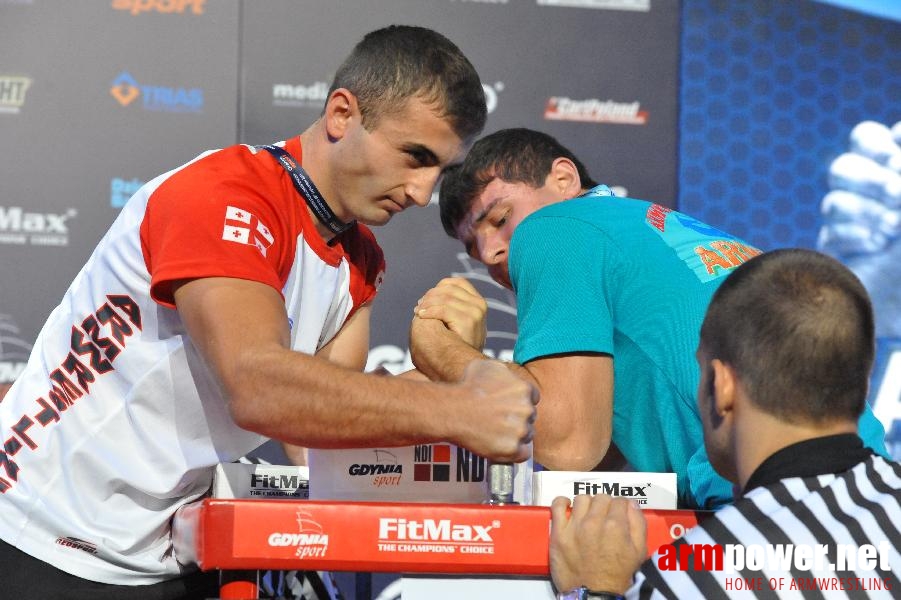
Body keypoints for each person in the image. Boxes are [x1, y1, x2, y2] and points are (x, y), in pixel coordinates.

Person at [0, 26, 538, 599]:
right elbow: (258, 386)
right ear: (341, 114)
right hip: (36, 533)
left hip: (160, 554)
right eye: (415, 156)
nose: (424, 193)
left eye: (442, 170)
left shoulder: (360, 259)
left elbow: (318, 431)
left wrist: (455, 366)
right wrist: (457, 406)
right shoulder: (222, 192)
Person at [410, 127, 888, 509]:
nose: (492, 252)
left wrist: (443, 351)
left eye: (499, 218)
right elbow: (598, 453)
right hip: (871, 492)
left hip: (781, 505)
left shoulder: (554, 229)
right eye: (473, 248)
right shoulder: (644, 232)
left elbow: (568, 445)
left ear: (564, 179)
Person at [548, 248, 901, 599]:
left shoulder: (692, 579)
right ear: (862, 381)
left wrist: (596, 590)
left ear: (722, 386)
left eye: (700, 372)